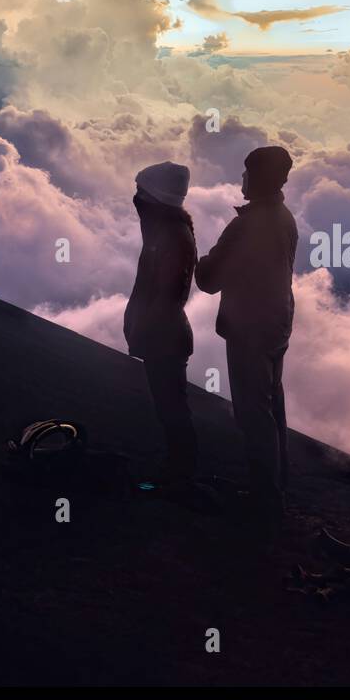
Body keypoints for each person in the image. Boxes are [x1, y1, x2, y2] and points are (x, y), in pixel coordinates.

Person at [195, 146, 297, 537]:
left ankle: (264, 501)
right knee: (271, 406)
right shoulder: (284, 218)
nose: (243, 179)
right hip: (277, 324)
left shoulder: (247, 225)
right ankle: (273, 490)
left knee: (253, 412)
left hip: (249, 328)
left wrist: (199, 259)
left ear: (260, 177)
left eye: (247, 171)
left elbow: (209, 280)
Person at [124, 161, 199, 487]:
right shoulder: (166, 231)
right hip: (163, 336)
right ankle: (177, 469)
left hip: (165, 339)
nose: (136, 198)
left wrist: (144, 328)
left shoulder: (171, 236)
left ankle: (180, 473)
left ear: (154, 197)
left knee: (172, 408)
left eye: (141, 192)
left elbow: (168, 295)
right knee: (169, 406)